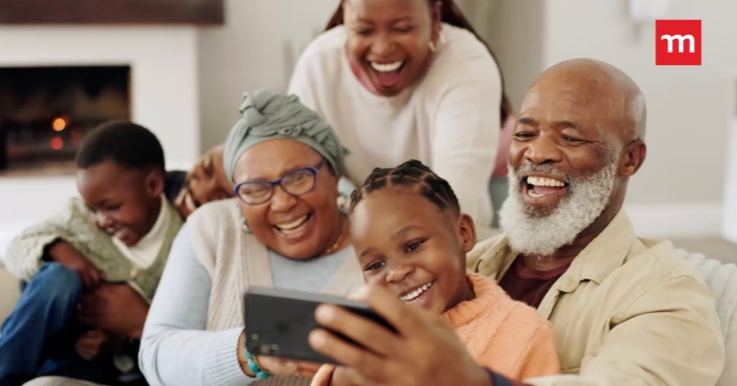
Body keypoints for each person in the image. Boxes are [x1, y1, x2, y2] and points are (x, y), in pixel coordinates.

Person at [305, 58, 726, 386]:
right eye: (524, 134)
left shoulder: (666, 294)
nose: (537, 153)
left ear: (629, 159)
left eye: (571, 137)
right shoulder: (459, 262)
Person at [138, 90, 363, 386]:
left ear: (334, 175)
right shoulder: (213, 228)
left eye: (298, 177)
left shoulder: (377, 251)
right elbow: (156, 356)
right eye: (255, 188)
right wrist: (252, 351)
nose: (282, 203)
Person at [309, 160, 560, 386]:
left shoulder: (524, 332)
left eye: (413, 245)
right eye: (375, 265)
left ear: (463, 233)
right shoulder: (363, 319)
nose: (396, 273)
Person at [0, 121, 184, 386]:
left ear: (153, 185)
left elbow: (182, 329)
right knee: (59, 278)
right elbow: (17, 248)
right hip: (59, 344)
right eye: (93, 209)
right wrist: (56, 248)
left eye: (111, 207)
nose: (101, 220)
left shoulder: (183, 241)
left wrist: (119, 342)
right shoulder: (79, 218)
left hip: (115, 366)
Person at [287, 0, 504, 234]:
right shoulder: (317, 65)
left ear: (434, 18)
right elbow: (299, 176)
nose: (382, 48)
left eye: (402, 28)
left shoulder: (466, 65)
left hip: (482, 184)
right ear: (345, 20)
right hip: (374, 207)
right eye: (363, 30)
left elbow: (457, 204)